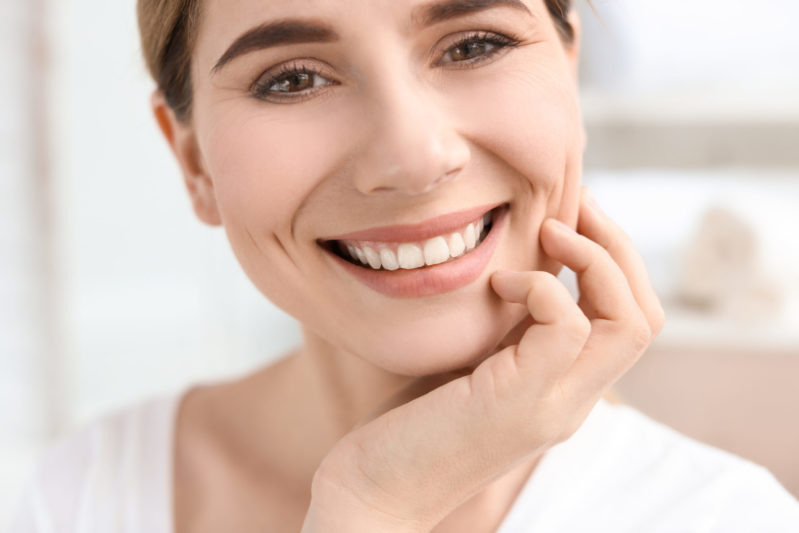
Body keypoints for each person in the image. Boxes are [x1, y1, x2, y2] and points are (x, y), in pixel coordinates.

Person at [9, 0, 799, 531]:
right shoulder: (73, 498)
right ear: (192, 161)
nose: (412, 157)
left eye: (474, 44)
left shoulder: (720, 517)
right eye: (291, 78)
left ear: (567, 69)